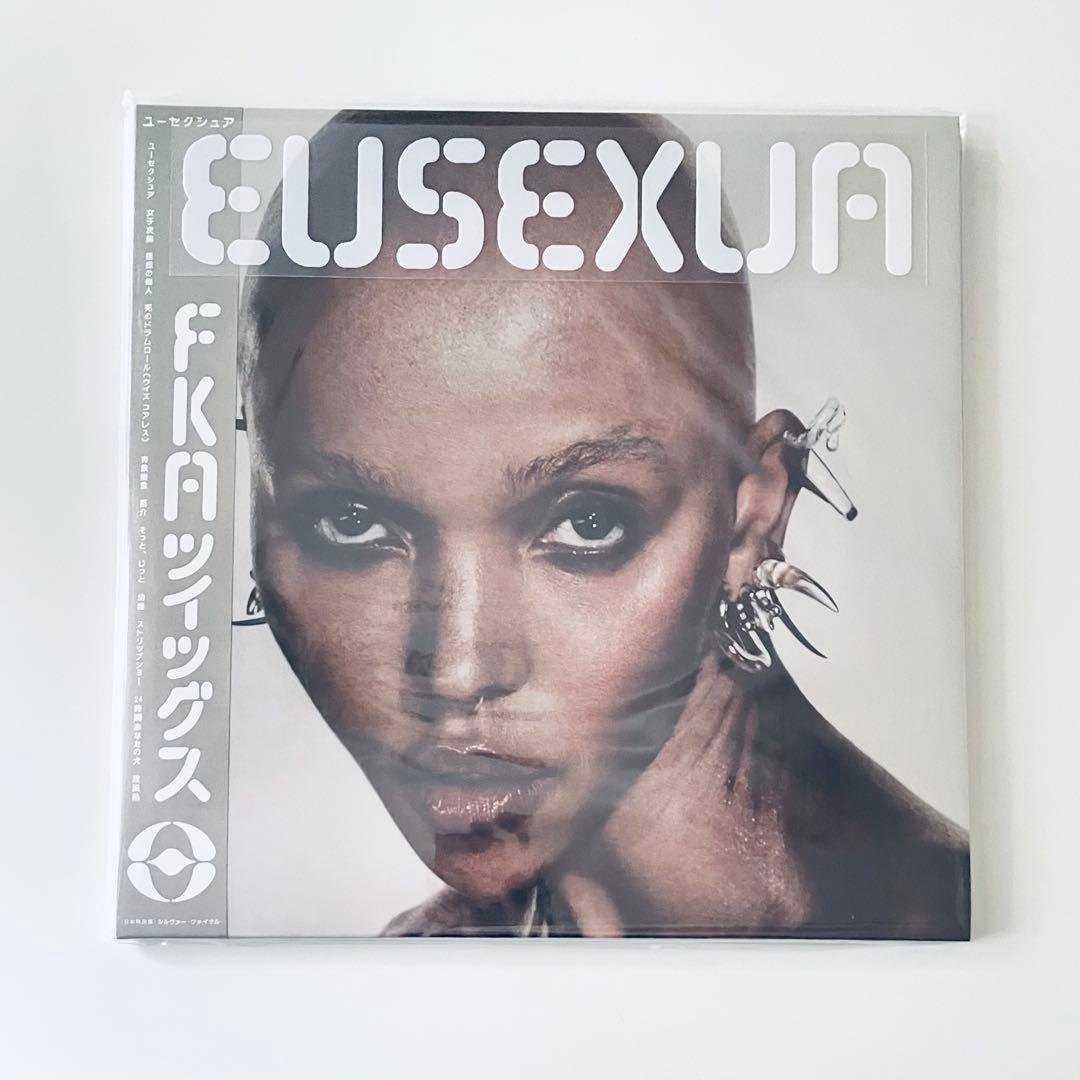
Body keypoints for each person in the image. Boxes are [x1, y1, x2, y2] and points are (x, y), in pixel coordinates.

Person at [238, 111, 969, 938]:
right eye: (350, 523)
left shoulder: (944, 951)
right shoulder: (436, 960)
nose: (457, 671)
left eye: (587, 523)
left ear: (750, 520)